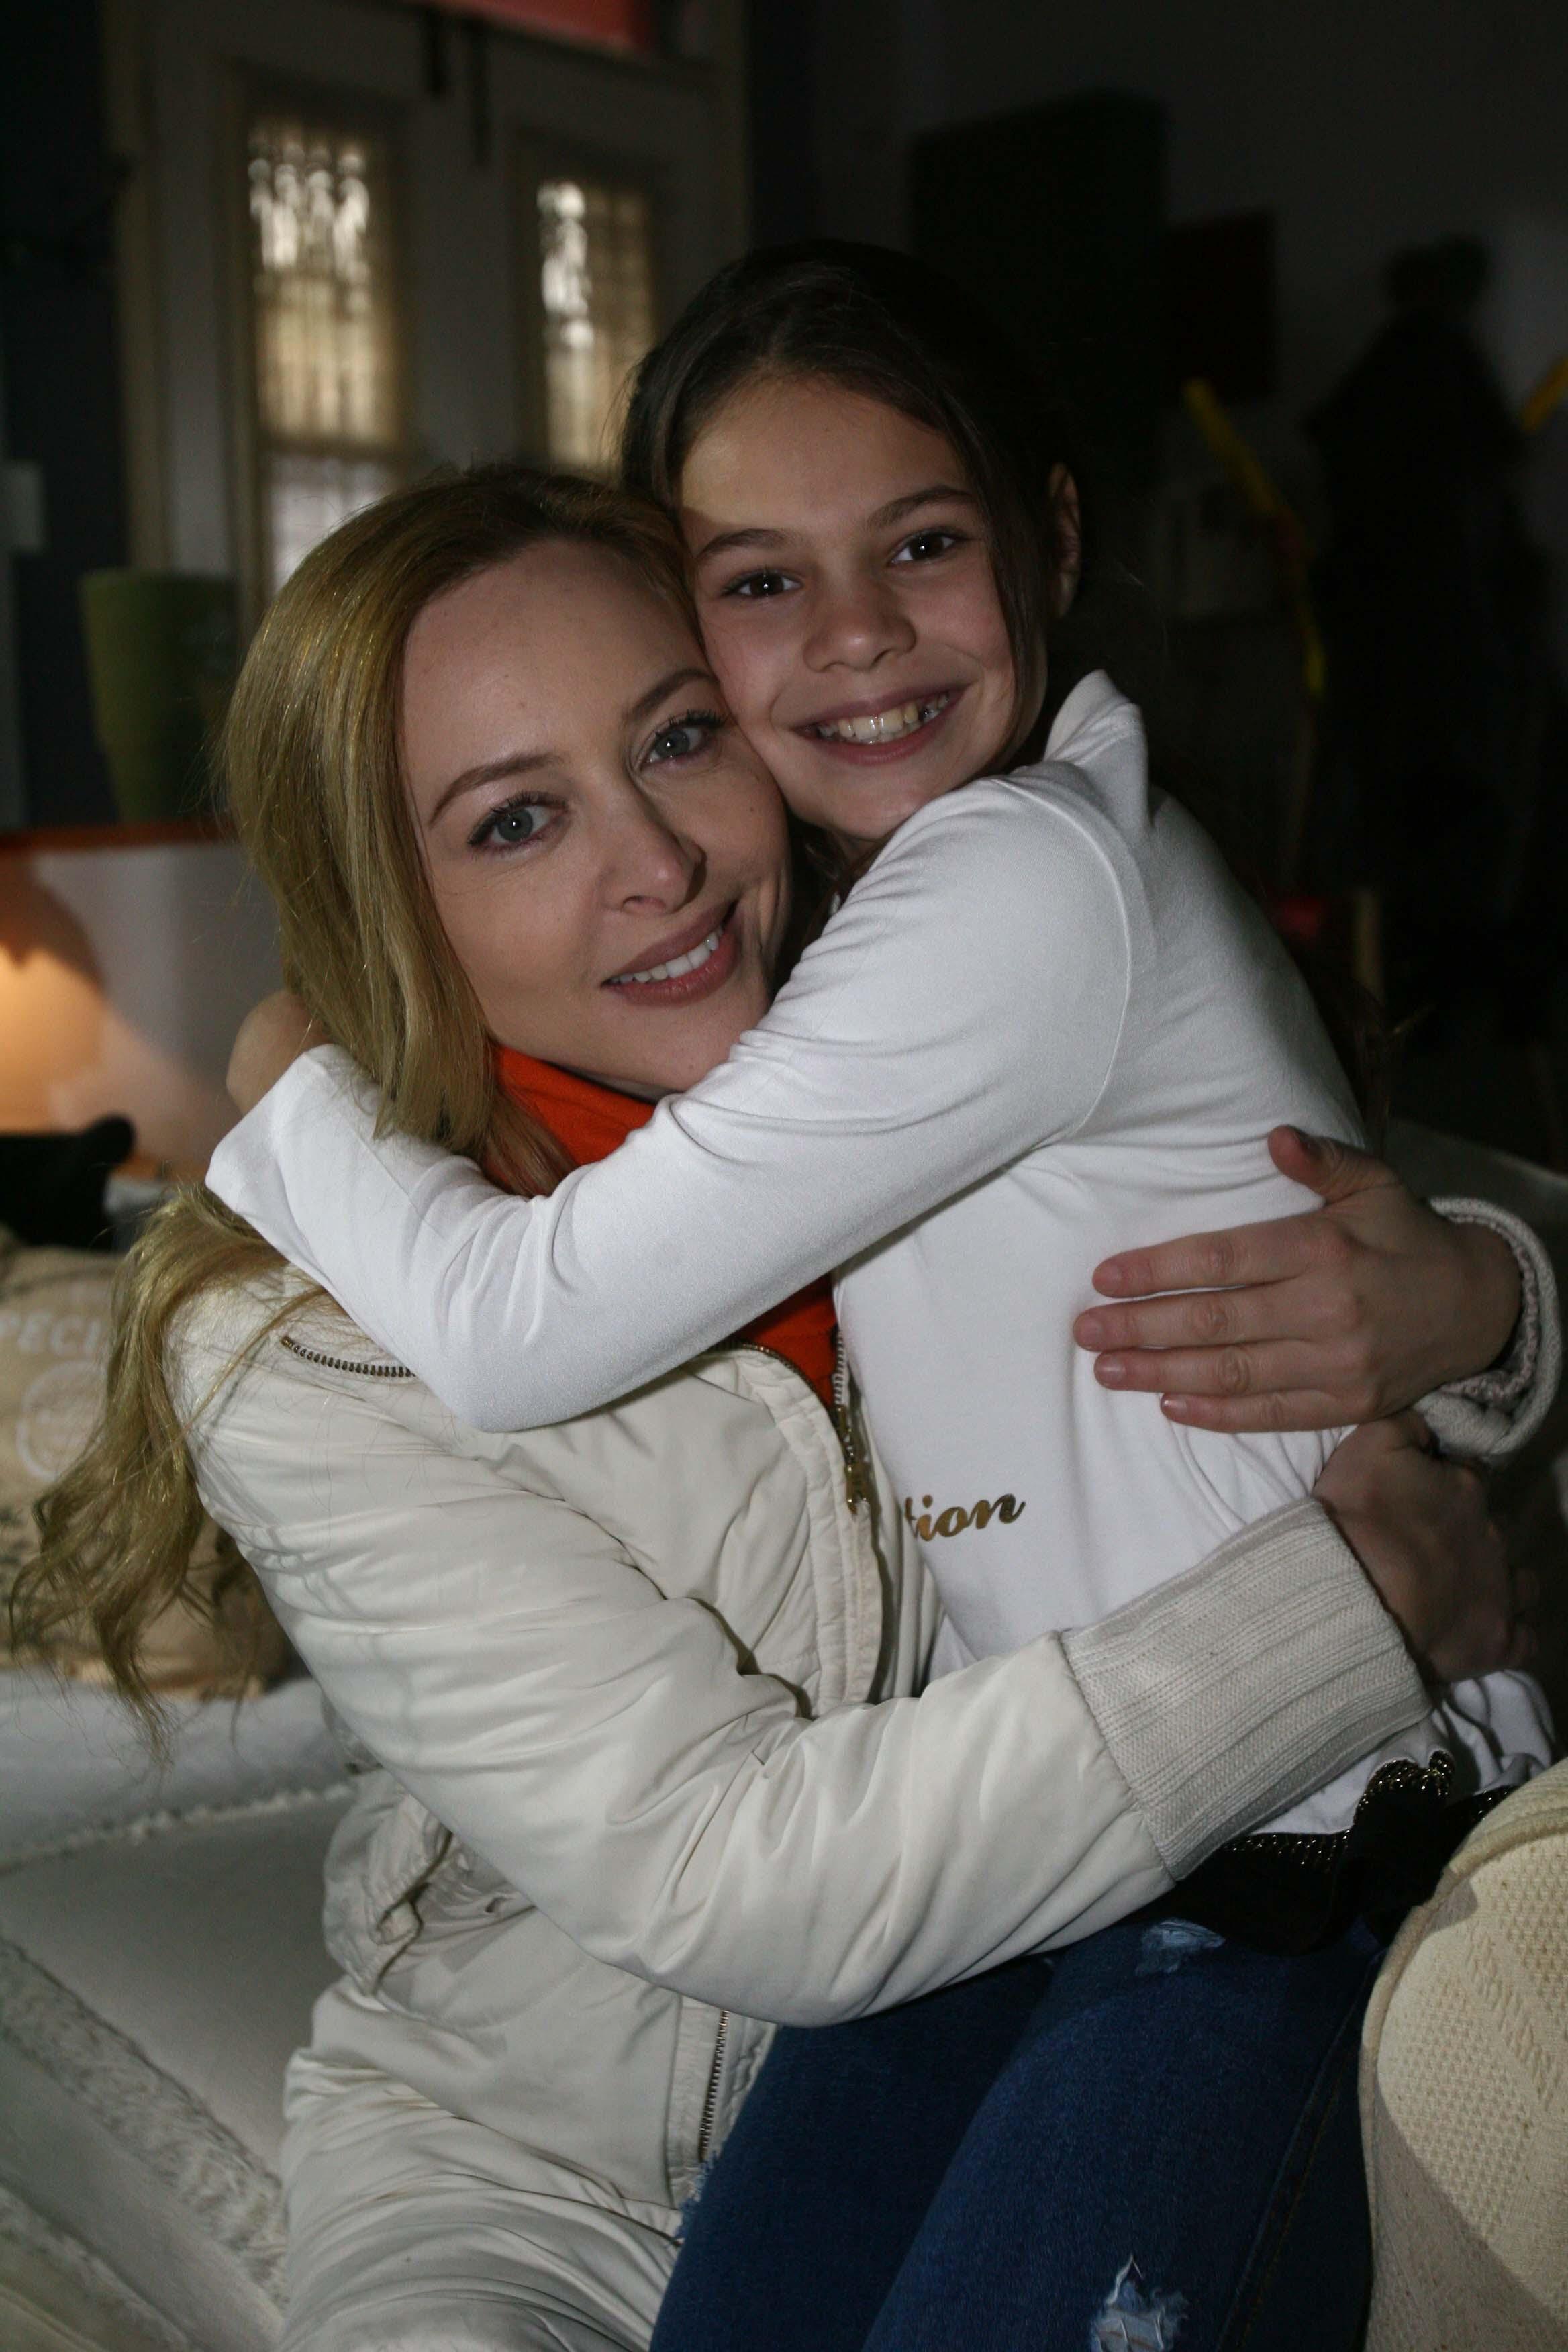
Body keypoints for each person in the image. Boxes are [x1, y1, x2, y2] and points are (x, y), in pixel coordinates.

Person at [15, 467, 1542, 2352]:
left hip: (980, 2032)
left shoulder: (951, 1039)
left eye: (678, 739)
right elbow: (723, 1869)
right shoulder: (303, 1344)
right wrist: (1345, 1609)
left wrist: (1489, 1307)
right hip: (531, 2184)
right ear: (386, 902)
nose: (655, 863)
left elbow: (1334, 1220)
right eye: (515, 820)